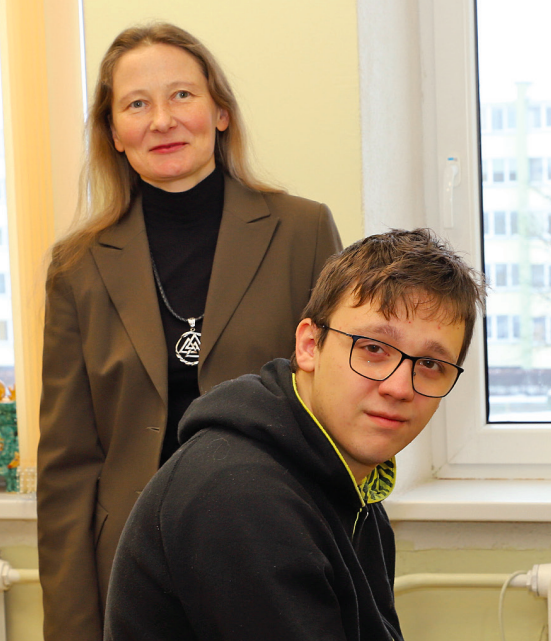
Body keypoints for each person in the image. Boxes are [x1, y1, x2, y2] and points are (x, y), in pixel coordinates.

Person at [37, 22, 342, 641]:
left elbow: (337, 411)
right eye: (136, 104)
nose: (162, 121)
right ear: (113, 133)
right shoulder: (77, 267)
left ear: (220, 112)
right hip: (133, 568)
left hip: (277, 548)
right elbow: (67, 468)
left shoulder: (303, 231)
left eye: (182, 95)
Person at [102, 229, 486, 640]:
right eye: (373, 348)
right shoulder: (241, 495)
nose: (399, 387)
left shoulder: (351, 486)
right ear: (309, 345)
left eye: (429, 364)